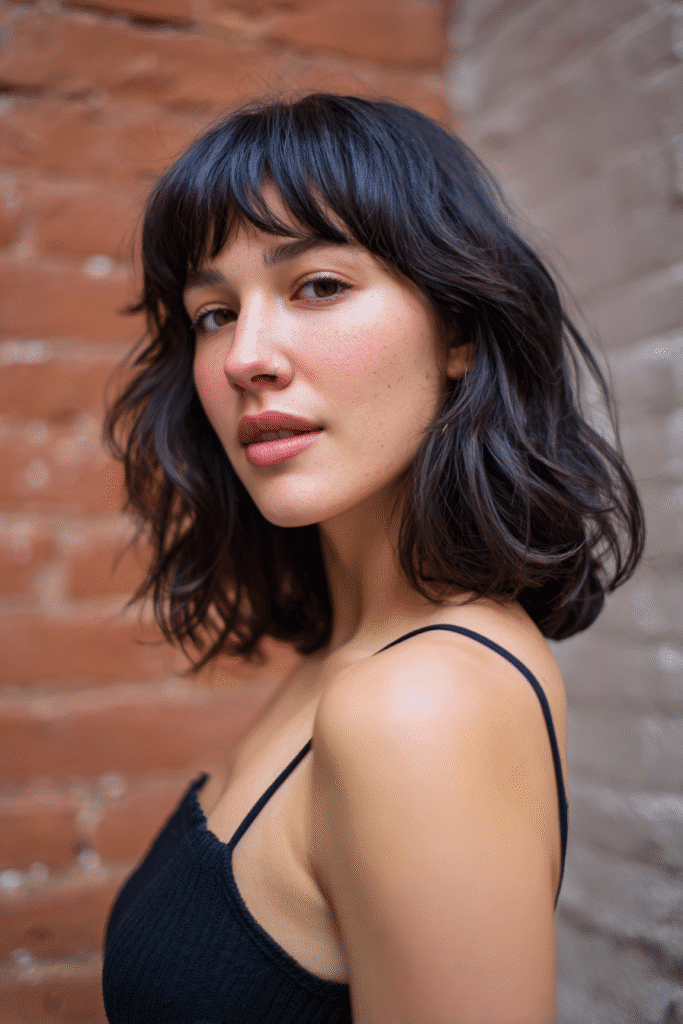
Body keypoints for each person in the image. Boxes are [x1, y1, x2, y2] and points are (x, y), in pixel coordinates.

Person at [102, 93, 643, 1024]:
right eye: (213, 312)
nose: (245, 358)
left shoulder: (418, 702)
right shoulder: (353, 661)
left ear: (460, 333)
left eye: (317, 285)